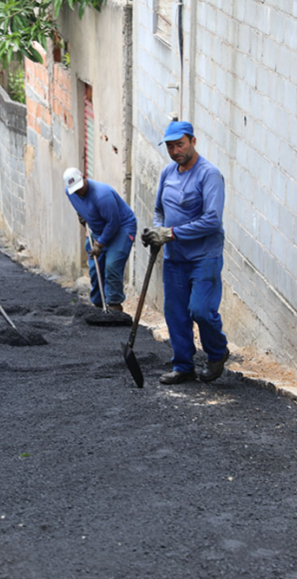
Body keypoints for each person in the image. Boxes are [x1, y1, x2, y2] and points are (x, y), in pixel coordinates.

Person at [141, 121, 230, 384]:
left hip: (204, 257)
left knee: (201, 311)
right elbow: (159, 210)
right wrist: (157, 231)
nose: (175, 150)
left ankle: (217, 352)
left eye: (180, 144)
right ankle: (183, 366)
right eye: (170, 146)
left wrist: (170, 234)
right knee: (176, 314)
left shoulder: (209, 175)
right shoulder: (168, 172)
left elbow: (213, 219)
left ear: (193, 141)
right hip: (174, 259)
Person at [63, 167, 137, 312]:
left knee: (111, 266)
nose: (79, 192)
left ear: (84, 177)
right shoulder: (70, 192)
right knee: (95, 268)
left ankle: (114, 305)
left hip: (121, 228)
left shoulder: (103, 195)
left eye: (80, 187)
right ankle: (98, 305)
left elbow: (113, 223)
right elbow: (80, 206)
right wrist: (83, 215)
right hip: (97, 228)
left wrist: (100, 243)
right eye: (75, 190)